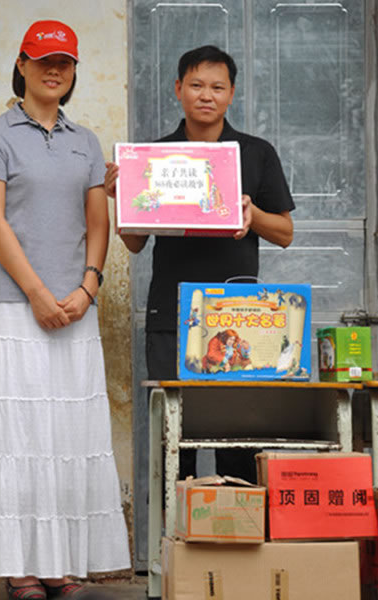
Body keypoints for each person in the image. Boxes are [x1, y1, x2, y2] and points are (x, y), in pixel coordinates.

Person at [0, 20, 130, 599]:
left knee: (65, 435)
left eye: (66, 63)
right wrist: (37, 294)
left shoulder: (86, 141)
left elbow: (97, 222)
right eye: (44, 59)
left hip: (76, 309)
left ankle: (59, 566)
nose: (55, 70)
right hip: (13, 306)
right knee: (16, 435)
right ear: (22, 64)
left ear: (74, 73)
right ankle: (19, 569)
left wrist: (88, 286)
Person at [105, 45, 295, 483]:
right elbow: (134, 244)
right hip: (172, 314)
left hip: (239, 317)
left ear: (231, 94)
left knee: (237, 440)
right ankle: (174, 548)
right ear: (178, 89)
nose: (205, 95)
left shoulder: (256, 153)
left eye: (216, 87)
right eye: (195, 85)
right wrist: (121, 198)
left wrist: (252, 215)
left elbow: (284, 233)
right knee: (174, 440)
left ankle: (238, 533)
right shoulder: (151, 158)